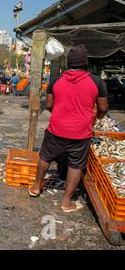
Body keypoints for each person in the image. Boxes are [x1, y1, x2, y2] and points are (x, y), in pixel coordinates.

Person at [29, 45, 109, 213]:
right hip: (81, 133)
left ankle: (36, 187)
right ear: (85, 63)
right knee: (76, 165)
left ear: (68, 63)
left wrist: (61, 113)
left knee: (45, 156)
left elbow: (49, 105)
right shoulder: (97, 82)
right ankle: (66, 202)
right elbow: (103, 108)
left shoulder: (56, 81)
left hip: (56, 129)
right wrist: (96, 117)